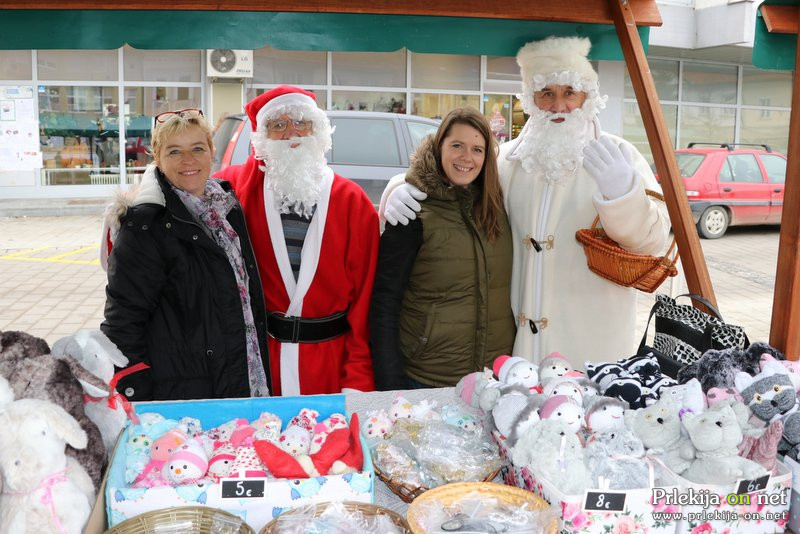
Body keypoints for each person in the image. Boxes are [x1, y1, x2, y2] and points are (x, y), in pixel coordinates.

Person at [381, 36, 671, 368]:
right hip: (516, 354)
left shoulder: (619, 156)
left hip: (592, 350)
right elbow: (452, 185)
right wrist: (401, 185)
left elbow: (654, 243)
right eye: (547, 93)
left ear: (586, 96)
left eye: (569, 93)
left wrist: (623, 197)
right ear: (531, 99)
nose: (559, 105)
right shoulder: (504, 160)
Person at [215, 85, 379, 396]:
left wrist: (357, 380)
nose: (293, 133)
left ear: (318, 130)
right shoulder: (236, 189)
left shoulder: (351, 201)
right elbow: (185, 194)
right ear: (261, 139)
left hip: (331, 367)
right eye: (278, 125)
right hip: (263, 368)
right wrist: (142, 198)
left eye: (302, 121)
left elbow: (366, 303)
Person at [101, 108, 271, 401]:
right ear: (157, 156)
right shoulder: (145, 225)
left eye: (197, 148)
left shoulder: (227, 207)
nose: (188, 160)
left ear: (212, 151)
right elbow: (122, 325)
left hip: (242, 377)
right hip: (183, 394)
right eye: (175, 151)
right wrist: (139, 398)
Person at [370, 108, 515, 390]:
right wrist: (389, 382)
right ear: (439, 147)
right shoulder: (413, 210)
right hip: (427, 379)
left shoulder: (496, 208)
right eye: (457, 145)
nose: (466, 157)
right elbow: (384, 302)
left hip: (490, 381)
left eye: (477, 149)